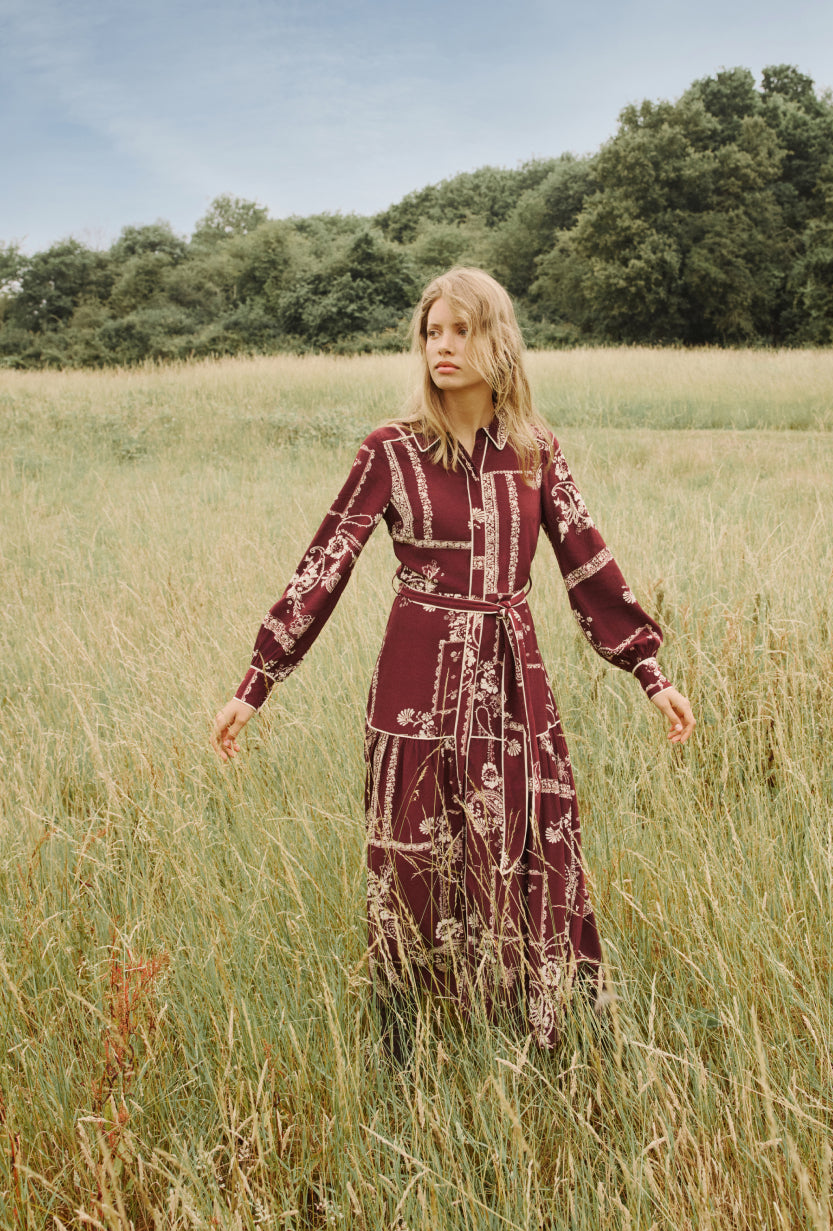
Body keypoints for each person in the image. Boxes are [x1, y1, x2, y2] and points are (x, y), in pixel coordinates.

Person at [212, 268, 694, 1050]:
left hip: (514, 688)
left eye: (461, 331)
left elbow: (588, 564)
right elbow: (325, 566)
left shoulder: (536, 452)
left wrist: (649, 672)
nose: (443, 346)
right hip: (415, 691)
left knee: (526, 844)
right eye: (433, 332)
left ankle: (527, 1028)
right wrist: (255, 682)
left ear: (497, 340)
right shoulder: (390, 450)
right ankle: (414, 1040)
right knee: (415, 861)